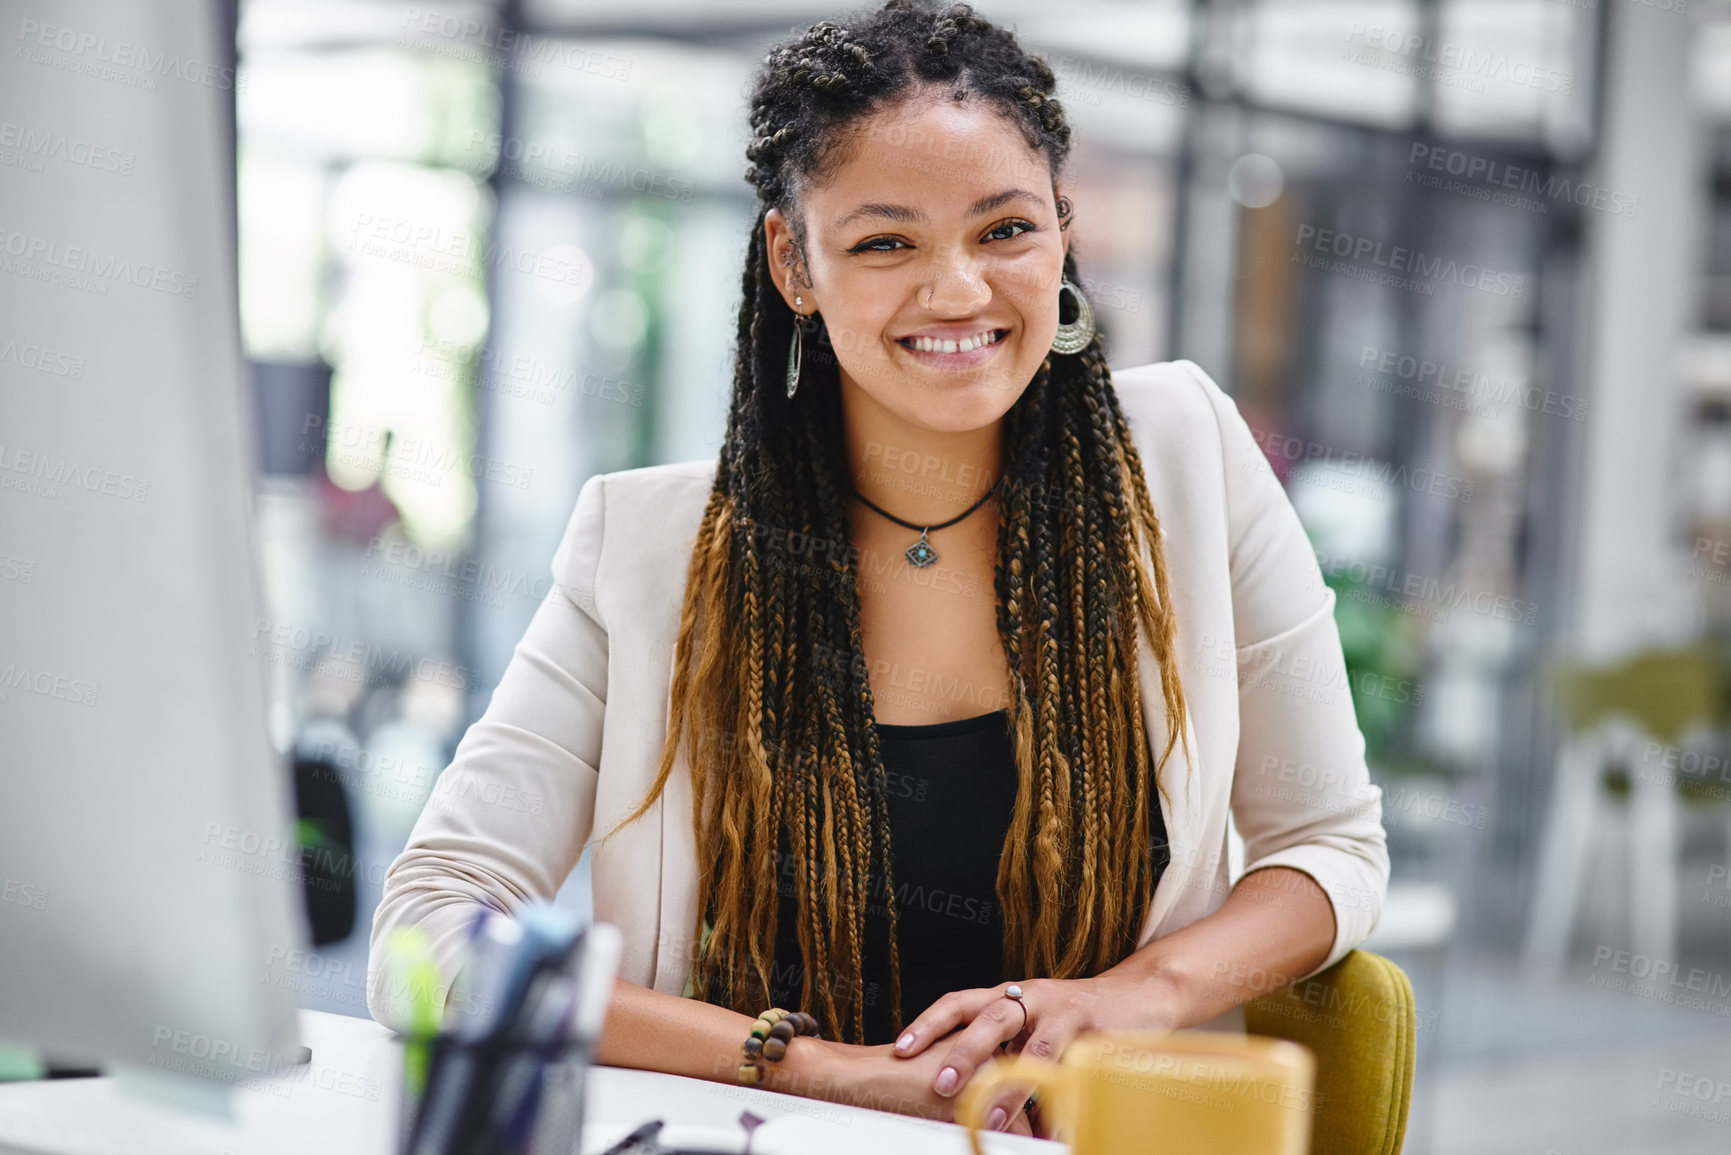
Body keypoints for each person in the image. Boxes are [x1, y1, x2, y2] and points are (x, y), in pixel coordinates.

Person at [367, 0, 1388, 1140]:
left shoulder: (1189, 460)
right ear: (792, 261)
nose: (957, 291)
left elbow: (1328, 847)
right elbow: (430, 929)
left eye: (1004, 230)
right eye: (886, 242)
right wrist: (823, 1070)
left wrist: (1119, 1001)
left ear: (1062, 225)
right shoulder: (646, 548)